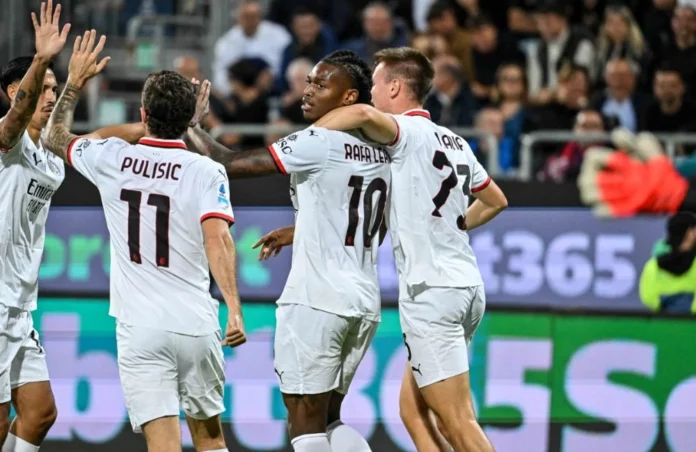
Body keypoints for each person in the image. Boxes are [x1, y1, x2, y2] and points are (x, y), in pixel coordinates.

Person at [40, 30, 246, 452]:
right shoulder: (205, 170)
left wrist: (75, 81)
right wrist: (235, 310)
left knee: (162, 444)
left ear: (142, 112)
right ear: (190, 117)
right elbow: (218, 240)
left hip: (141, 327)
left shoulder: (111, 158)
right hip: (196, 322)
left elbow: (55, 136)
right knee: (210, 439)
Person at [185, 50, 387, 452]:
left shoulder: (320, 140)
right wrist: (302, 230)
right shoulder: (382, 148)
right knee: (331, 418)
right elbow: (368, 218)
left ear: (349, 98)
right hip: (364, 300)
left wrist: (190, 123)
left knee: (303, 422)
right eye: (309, 81)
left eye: (321, 84)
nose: (308, 91)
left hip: (317, 299)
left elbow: (225, 161)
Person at [313, 47, 507, 452]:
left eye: (376, 85)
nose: (371, 94)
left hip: (431, 293)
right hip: (466, 287)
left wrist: (310, 134)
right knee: (412, 411)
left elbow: (364, 116)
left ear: (396, 87)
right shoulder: (455, 141)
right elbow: (495, 200)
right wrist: (455, 224)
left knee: (457, 421)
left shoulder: (403, 132)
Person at [0, 4, 145, 452]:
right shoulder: (10, 143)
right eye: (42, 88)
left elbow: (95, 138)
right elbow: (11, 130)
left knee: (41, 413)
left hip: (18, 308)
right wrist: (43, 58)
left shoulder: (47, 153)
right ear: (13, 91)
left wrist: (157, 126)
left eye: (52, 89)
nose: (49, 95)